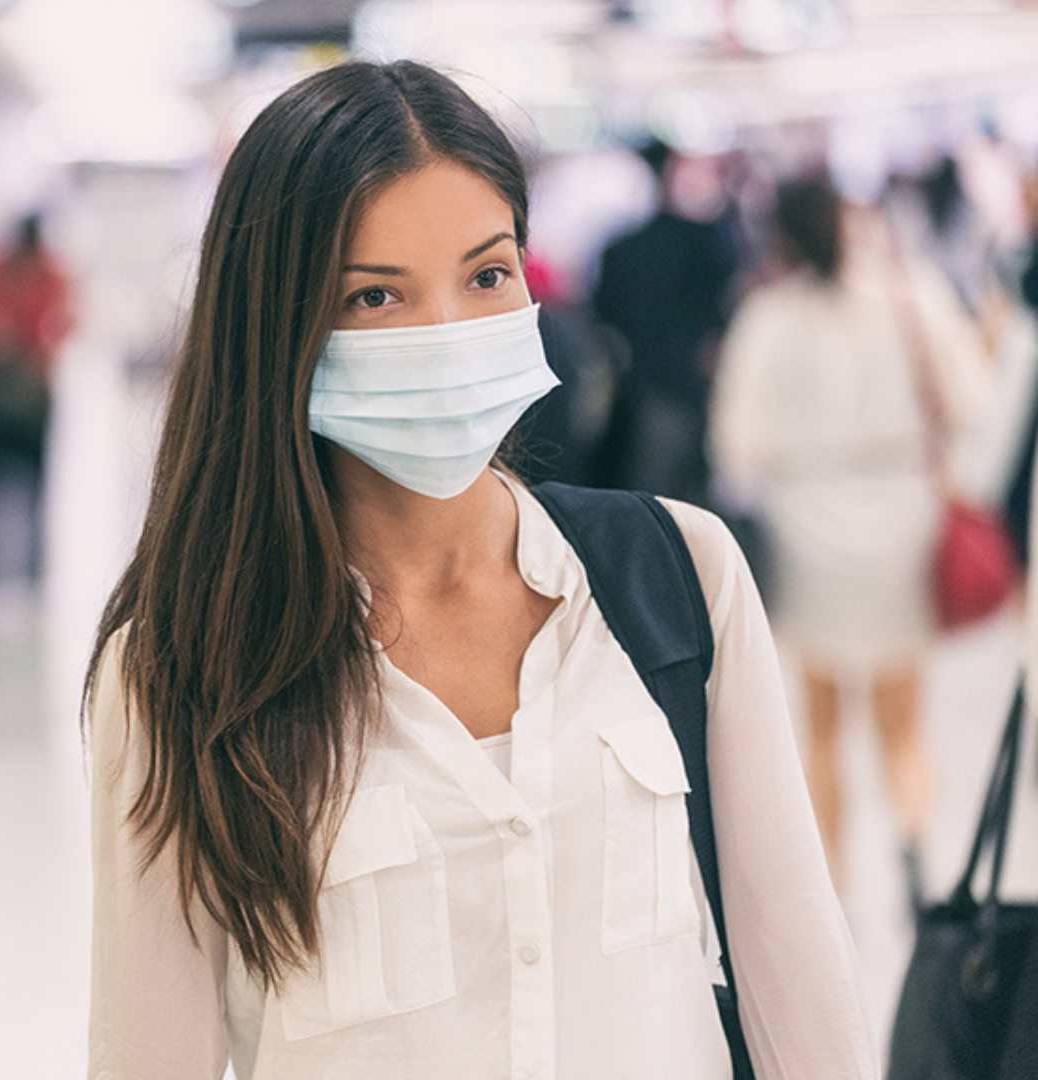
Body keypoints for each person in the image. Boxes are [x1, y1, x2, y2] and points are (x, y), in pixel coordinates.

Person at [84, 62, 873, 1079]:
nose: (449, 334)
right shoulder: (180, 674)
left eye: (487, 274)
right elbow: (151, 1054)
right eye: (376, 295)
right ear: (279, 329)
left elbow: (800, 987)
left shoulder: (681, 577)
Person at [708, 177, 987, 889]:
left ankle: (832, 877)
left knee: (823, 722)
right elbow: (968, 395)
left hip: (808, 523)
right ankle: (915, 842)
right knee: (903, 715)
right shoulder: (910, 293)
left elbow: (738, 441)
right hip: (902, 511)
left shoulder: (766, 318)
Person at [592, 140, 742, 506]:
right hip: (698, 387)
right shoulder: (706, 241)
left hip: (641, 389)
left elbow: (604, 317)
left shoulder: (618, 250)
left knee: (651, 502)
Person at [0, 214, 72, 593]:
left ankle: (33, 573)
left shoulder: (50, 273)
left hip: (34, 394)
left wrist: (42, 348)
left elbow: (71, 319)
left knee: (37, 487)